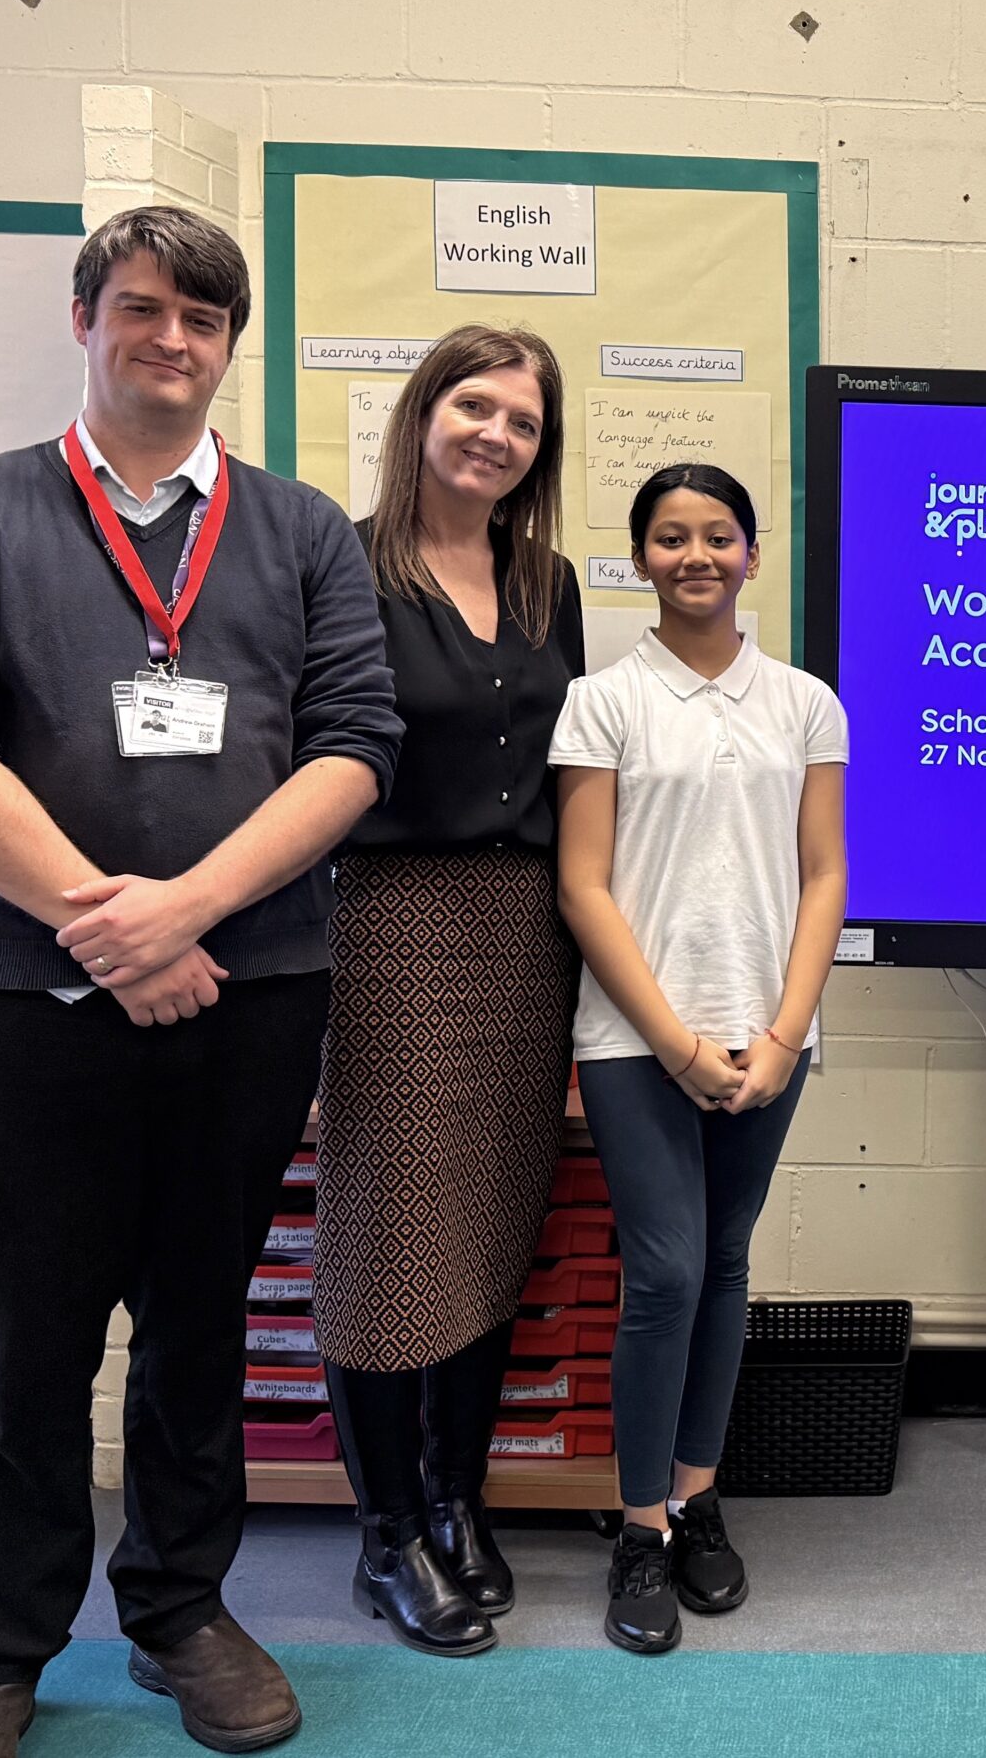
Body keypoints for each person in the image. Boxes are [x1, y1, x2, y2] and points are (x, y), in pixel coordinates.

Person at [0, 206, 400, 1758]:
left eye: (203, 318)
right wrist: (106, 928)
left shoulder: (300, 532)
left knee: (198, 1326)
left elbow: (355, 745)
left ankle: (178, 1613)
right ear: (87, 318)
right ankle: (1, 1649)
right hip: (20, 1012)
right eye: (143, 308)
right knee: (25, 1343)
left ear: (231, 344)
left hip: (250, 999)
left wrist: (186, 918)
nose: (172, 339)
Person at [310, 325, 585, 1656]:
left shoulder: (552, 584)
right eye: (473, 404)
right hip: (391, 921)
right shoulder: (341, 565)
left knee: (486, 1226)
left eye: (522, 421)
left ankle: (457, 1497)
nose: (494, 433)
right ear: (424, 410)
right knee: (383, 1233)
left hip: (527, 937)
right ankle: (387, 1536)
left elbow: (575, 778)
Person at [549, 463, 848, 1655]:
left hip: (770, 1037)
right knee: (665, 1273)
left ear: (752, 555)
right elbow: (580, 884)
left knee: (724, 1265)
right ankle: (637, 1528)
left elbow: (823, 876)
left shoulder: (808, 704)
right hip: (635, 1038)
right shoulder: (602, 702)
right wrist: (675, 1043)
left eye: (717, 536)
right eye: (670, 539)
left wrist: (780, 1036)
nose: (696, 557)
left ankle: (697, 1492)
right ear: (639, 561)